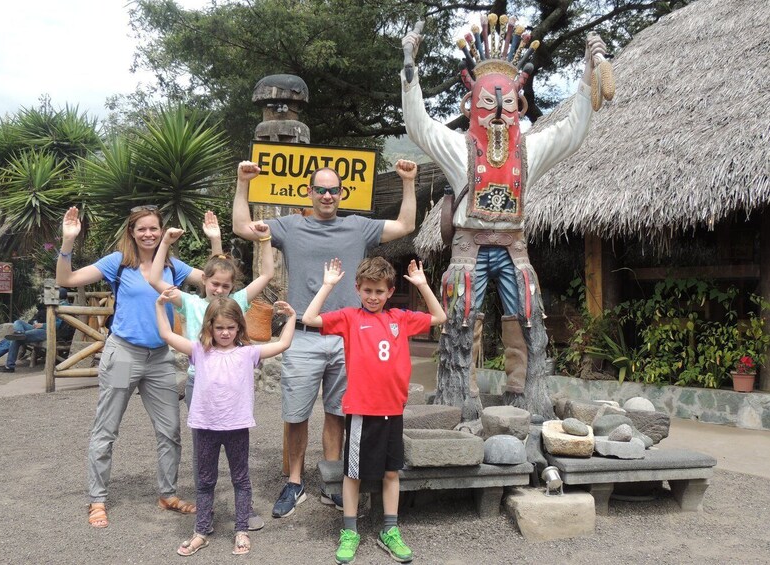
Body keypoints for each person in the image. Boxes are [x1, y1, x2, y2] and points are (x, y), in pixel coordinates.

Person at [401, 20, 608, 418]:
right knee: (463, 320)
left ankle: (522, 394)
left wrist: (586, 75)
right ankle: (462, 399)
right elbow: (419, 125)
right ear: (470, 107)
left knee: (526, 319)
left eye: (508, 104)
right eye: (487, 104)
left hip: (514, 247)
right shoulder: (455, 146)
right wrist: (410, 72)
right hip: (469, 248)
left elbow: (573, 130)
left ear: (520, 106)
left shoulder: (531, 148)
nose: (498, 112)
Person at [232, 159, 419, 519]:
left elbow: (406, 225)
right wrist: (242, 183)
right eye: (321, 189)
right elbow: (242, 226)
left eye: (334, 190)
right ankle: (296, 481)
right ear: (309, 192)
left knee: (338, 412)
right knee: (296, 412)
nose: (328, 195)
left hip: (349, 337)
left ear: (342, 193)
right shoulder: (289, 227)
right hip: (302, 334)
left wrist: (408, 182)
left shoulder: (358, 228)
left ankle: (331, 481)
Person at [57, 205, 204, 529]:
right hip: (123, 355)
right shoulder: (118, 264)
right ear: (132, 232)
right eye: (142, 229)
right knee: (107, 429)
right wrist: (68, 241)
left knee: (170, 431)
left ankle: (167, 493)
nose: (149, 234)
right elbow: (66, 279)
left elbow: (215, 281)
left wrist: (216, 241)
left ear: (162, 231)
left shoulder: (172, 267)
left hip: (159, 360)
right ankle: (97, 499)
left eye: (154, 228)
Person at [302, 256, 446, 564]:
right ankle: (350, 531)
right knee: (352, 473)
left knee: (391, 472)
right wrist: (327, 286)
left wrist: (422, 285)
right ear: (358, 288)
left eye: (379, 291)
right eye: (367, 290)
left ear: (390, 291)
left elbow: (439, 316)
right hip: (361, 411)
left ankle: (390, 530)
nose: (373, 297)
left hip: (392, 409)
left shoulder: (401, 318)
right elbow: (310, 318)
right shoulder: (349, 318)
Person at [149, 216, 273, 532]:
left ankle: (241, 511)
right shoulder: (190, 303)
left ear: (233, 288)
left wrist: (264, 240)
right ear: (204, 280)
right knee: (205, 450)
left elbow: (267, 274)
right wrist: (164, 242)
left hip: (232, 383)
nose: (219, 290)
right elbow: (154, 278)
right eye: (214, 283)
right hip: (199, 383)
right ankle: (209, 508)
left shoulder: (236, 304)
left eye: (226, 286)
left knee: (237, 451)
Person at [154, 289, 296, 556]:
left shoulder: (248, 353)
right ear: (210, 327)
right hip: (205, 426)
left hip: (236, 426)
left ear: (239, 326)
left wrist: (292, 318)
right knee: (205, 481)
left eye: (231, 327)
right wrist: (160, 305)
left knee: (241, 479)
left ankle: (241, 529)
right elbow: (167, 335)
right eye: (219, 327)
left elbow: (282, 345)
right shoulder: (199, 351)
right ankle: (201, 531)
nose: (225, 332)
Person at [0, 289, 71, 373]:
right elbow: (40, 317)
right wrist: (36, 323)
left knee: (13, 339)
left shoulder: (64, 307)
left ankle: (10, 366)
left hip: (47, 332)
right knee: (18, 322)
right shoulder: (54, 304)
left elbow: (59, 325)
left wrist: (42, 325)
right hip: (39, 328)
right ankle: (19, 333)